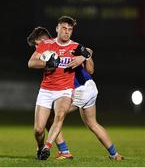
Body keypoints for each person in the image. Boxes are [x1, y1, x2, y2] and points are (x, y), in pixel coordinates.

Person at [27, 26, 124, 161]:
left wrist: (83, 55)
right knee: (92, 123)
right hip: (89, 87)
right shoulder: (50, 53)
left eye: (38, 44)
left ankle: (63, 151)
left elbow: (87, 50)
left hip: (81, 89)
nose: (38, 49)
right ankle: (114, 154)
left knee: (52, 117)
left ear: (46, 40)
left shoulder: (62, 47)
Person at [27, 16, 91, 160]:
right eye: (64, 28)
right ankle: (40, 145)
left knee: (60, 115)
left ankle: (47, 148)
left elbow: (90, 61)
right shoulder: (46, 44)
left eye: (70, 29)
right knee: (38, 130)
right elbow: (31, 63)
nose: (67, 32)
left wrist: (85, 57)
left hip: (65, 90)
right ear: (57, 28)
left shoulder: (75, 47)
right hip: (46, 90)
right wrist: (48, 63)